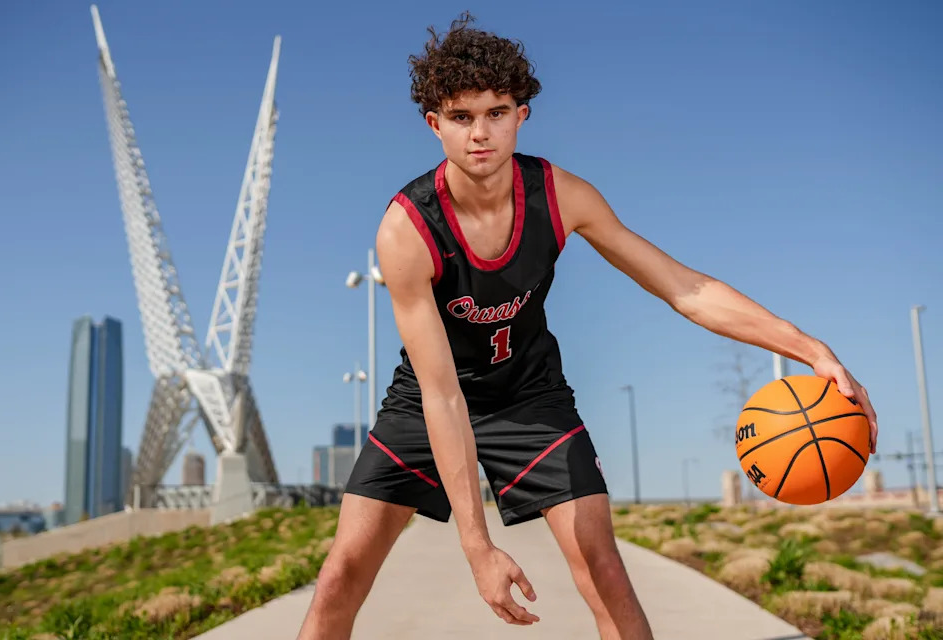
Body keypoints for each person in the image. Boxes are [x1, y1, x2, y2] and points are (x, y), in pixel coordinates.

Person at [297, 12, 879, 640]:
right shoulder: (408, 230)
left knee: (604, 571)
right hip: (429, 402)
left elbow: (684, 288)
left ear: (523, 113)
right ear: (433, 124)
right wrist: (477, 544)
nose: (480, 134)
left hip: (531, 395)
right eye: (461, 118)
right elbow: (442, 393)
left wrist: (810, 349)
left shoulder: (562, 196)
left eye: (497, 112)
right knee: (340, 575)